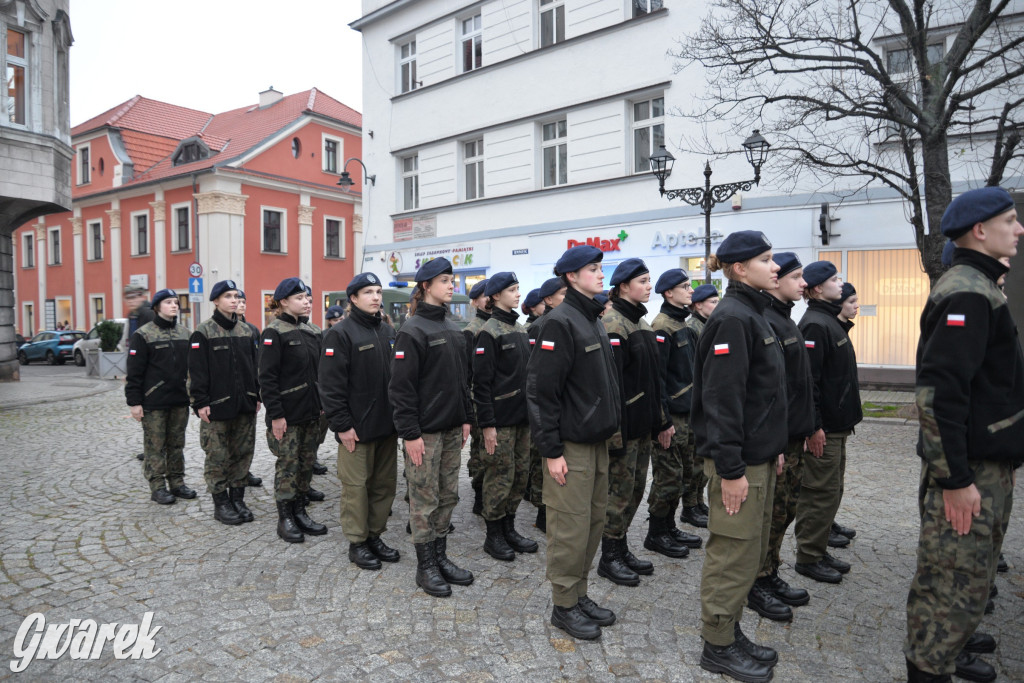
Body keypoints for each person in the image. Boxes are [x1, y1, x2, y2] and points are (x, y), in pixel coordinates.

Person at [904, 187, 1023, 683]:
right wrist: (954, 478)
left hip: (982, 463)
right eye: (1011, 220)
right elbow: (940, 395)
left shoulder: (981, 285)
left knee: (969, 581)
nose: (1019, 229)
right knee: (950, 584)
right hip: (969, 470)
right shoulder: (968, 292)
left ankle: (947, 657)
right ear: (980, 230)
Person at [691, 231, 786, 683]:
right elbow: (722, 400)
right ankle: (717, 644)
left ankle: (730, 629)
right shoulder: (732, 318)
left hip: (757, 457)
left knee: (748, 553)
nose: (776, 267)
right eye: (766, 260)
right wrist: (730, 469)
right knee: (732, 553)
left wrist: (773, 448)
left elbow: (761, 395)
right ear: (740, 269)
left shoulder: (752, 311)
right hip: (739, 464)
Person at [527, 245, 620, 640]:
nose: (601, 275)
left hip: (596, 443)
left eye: (601, 268)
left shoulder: (592, 318)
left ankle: (579, 594)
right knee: (569, 529)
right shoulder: (560, 322)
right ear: (571, 277)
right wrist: (551, 451)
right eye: (593, 269)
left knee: (593, 524)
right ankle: (564, 605)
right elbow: (541, 392)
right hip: (570, 447)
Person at [389, 257, 474, 598]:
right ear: (425, 286)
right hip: (425, 432)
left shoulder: (453, 327)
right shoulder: (413, 330)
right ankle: (425, 567)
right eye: (444, 280)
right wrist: (409, 433)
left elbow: (462, 380)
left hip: (453, 428)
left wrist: (467, 417)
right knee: (424, 499)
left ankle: (441, 557)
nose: (451, 284)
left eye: (452, 279)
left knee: (447, 495)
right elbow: (401, 388)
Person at [599, 258, 684, 588]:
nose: (649, 286)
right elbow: (613, 385)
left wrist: (661, 421)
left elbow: (655, 379)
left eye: (650, 281)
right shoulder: (613, 324)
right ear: (623, 287)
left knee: (633, 491)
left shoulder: (642, 323)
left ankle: (621, 548)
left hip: (643, 426)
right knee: (617, 495)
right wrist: (615, 435)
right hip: (624, 429)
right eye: (643, 281)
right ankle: (609, 556)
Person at [749, 253, 814, 619]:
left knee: (785, 510)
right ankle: (758, 580)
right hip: (779, 440)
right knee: (771, 515)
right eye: (797, 277)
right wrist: (776, 443)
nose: (802, 284)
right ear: (777, 282)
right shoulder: (768, 322)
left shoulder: (786, 320)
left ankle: (770, 571)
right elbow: (768, 393)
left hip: (793, 436)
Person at [320, 272, 400, 568]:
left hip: (386, 426)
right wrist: (342, 425)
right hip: (357, 428)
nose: (376, 297)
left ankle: (375, 535)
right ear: (353, 298)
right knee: (356, 489)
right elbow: (330, 385)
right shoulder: (339, 334)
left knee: (383, 486)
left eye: (378, 291)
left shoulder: (387, 332)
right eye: (368, 292)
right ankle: (357, 542)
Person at [793, 261, 861, 584]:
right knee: (818, 492)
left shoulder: (830, 322)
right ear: (818, 288)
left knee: (832, 489)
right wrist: (814, 426)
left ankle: (818, 549)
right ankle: (808, 556)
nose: (840, 283)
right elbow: (810, 383)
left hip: (838, 426)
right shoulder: (816, 325)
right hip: (825, 429)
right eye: (835, 279)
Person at [473, 272, 538, 561]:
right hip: (500, 421)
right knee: (500, 476)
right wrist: (487, 425)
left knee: (519, 476)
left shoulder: (521, 328)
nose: (517, 294)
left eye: (518, 288)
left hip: (522, 418)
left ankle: (509, 526)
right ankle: (494, 534)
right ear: (496, 296)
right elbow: (481, 384)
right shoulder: (488, 332)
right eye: (512, 289)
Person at [259, 278, 326, 543]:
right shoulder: (274, 333)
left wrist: (321, 404)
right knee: (287, 466)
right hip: (287, 413)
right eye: (299, 298)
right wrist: (276, 415)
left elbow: (320, 373)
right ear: (283, 302)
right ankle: (285, 517)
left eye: (307, 297)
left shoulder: (312, 332)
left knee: (306, 463)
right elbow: (267, 378)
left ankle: (300, 510)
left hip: (310, 411)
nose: (306, 301)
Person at [188, 279, 260, 526]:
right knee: (217, 457)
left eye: (236, 296)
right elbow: (197, 371)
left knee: (242, 453)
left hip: (244, 404)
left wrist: (256, 394)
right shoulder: (204, 331)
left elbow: (254, 366)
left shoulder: (246, 331)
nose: (234, 300)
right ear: (216, 301)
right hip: (217, 406)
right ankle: (221, 503)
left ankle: (237, 498)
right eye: (228, 296)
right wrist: (200, 401)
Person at [647, 269, 705, 564]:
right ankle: (656, 532)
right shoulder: (662, 327)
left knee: (682, 474)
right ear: (669, 293)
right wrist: (662, 421)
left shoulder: (682, 324)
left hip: (688, 415)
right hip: (671, 418)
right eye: (685, 286)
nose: (690, 291)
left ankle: (669, 527)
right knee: (668, 476)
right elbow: (656, 381)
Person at [125, 289, 196, 504]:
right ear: (157, 307)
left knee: (176, 444)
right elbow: (134, 372)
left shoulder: (186, 334)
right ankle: (157, 486)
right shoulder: (144, 334)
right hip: (154, 401)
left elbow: (193, 368)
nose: (174, 305)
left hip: (179, 399)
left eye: (176, 302)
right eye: (168, 302)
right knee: (155, 445)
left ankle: (177, 483)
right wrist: (134, 402)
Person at [524, 276, 568, 532]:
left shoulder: (565, 322)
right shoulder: (542, 326)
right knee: (543, 461)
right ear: (548, 300)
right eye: (563, 294)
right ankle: (543, 513)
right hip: (545, 407)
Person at [678, 283, 719, 526]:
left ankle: (697, 501)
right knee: (693, 461)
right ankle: (690, 505)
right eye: (712, 302)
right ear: (698, 305)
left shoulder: (706, 325)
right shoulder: (694, 327)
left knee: (700, 460)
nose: (716, 305)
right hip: (695, 399)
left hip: (704, 399)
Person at [463, 279, 491, 515]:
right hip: (477, 399)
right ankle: (480, 492)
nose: (490, 298)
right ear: (474, 302)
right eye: (485, 295)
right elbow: (467, 372)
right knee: (480, 449)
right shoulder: (471, 331)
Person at [236, 290, 264, 489]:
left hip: (248, 391)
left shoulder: (252, 330)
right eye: (237, 300)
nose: (241, 304)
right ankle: (232, 474)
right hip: (228, 392)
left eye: (244, 301)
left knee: (247, 439)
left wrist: (258, 393)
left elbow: (258, 363)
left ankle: (244, 471)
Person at [127, 283, 157, 461]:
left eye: (134, 297)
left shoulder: (147, 313)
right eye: (128, 298)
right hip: (140, 369)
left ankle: (153, 450)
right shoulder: (134, 314)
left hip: (150, 373)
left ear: (141, 296)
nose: (131, 301)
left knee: (151, 416)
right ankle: (149, 448)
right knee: (146, 416)